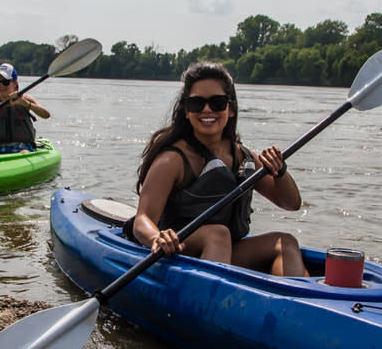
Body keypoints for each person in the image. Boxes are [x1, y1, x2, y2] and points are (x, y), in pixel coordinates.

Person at [126, 61, 308, 277]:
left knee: (285, 242)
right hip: (179, 252)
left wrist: (280, 172)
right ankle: (210, 304)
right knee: (217, 234)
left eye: (217, 102)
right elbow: (142, 220)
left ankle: (291, 303)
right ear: (186, 111)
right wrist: (157, 238)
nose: (207, 110)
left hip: (226, 251)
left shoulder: (243, 156)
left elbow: (291, 204)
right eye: (197, 103)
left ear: (230, 109)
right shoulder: (172, 160)